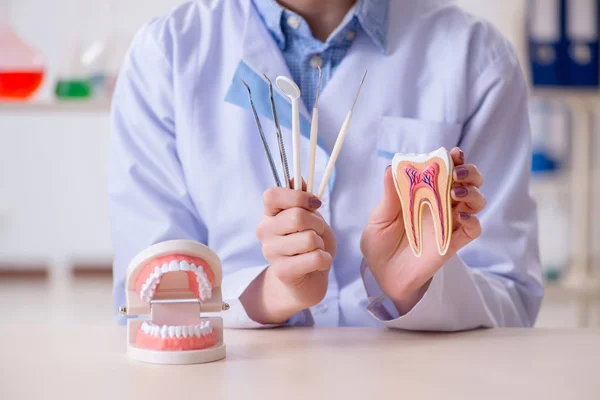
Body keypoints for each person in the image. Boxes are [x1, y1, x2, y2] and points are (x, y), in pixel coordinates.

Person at [109, 0, 544, 330]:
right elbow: (148, 303)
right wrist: (270, 294)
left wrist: (412, 291)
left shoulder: (478, 59)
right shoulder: (165, 56)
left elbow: (513, 302)